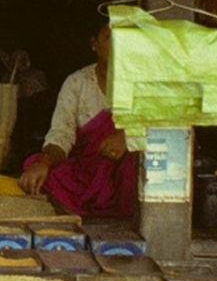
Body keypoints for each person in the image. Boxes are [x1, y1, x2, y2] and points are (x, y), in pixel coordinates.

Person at [18, 16, 138, 217]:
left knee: (135, 164)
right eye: (110, 38)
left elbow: (168, 127)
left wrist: (130, 137)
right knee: (35, 165)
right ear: (94, 44)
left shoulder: (145, 82)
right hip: (88, 173)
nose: (118, 46)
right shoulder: (77, 82)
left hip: (123, 174)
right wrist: (44, 163)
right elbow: (61, 134)